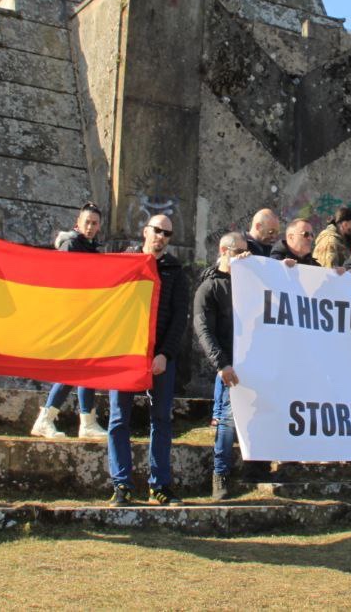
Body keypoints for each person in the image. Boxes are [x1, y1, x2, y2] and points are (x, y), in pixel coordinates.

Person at [107, 213, 191, 507]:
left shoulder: (176, 271)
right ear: (145, 231)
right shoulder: (126, 262)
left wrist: (164, 354)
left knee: (162, 419)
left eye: (167, 234)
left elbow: (179, 317)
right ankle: (121, 483)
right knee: (119, 418)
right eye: (158, 231)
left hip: (160, 357)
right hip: (126, 353)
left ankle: (160, 485)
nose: (162, 237)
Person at [31, 203, 108, 440]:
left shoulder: (92, 248)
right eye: (87, 222)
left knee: (86, 367)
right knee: (75, 368)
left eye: (94, 223)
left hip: (86, 316)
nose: (90, 227)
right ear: (78, 222)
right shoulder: (71, 244)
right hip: (73, 317)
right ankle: (46, 419)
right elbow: (63, 280)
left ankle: (87, 421)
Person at [194, 232, 251, 499]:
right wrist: (222, 364)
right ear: (223, 250)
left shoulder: (252, 282)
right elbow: (204, 330)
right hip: (229, 364)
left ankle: (258, 468)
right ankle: (220, 474)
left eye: (246, 252)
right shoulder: (209, 288)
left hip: (253, 361)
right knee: (227, 420)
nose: (243, 256)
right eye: (238, 251)